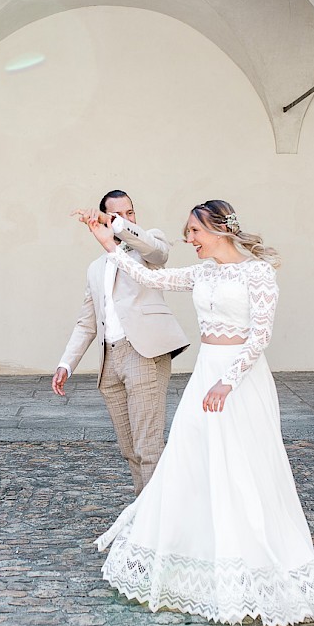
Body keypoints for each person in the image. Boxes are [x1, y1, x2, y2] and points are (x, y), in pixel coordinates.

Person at [90, 200, 314, 626]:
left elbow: (260, 335)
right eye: (187, 233)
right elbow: (152, 276)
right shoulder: (201, 272)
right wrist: (109, 246)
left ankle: (254, 565)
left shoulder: (257, 273)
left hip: (240, 381)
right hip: (206, 374)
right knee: (193, 461)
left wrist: (229, 380)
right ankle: (196, 555)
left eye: (194, 232)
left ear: (219, 229)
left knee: (244, 466)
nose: (189, 240)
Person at [54, 190, 189, 495]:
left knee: (147, 446)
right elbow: (87, 321)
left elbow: (158, 252)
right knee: (129, 448)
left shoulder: (147, 244)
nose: (125, 219)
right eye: (117, 214)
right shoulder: (95, 268)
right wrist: (66, 363)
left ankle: (156, 525)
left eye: (130, 213)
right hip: (110, 361)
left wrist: (114, 224)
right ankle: (145, 511)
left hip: (144, 353)